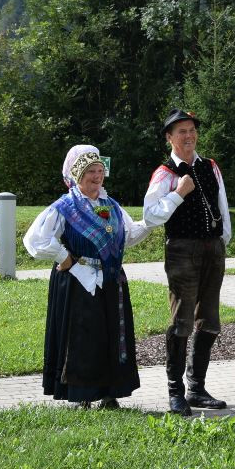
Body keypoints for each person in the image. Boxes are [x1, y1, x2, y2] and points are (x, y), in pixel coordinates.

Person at [24, 145, 152, 409]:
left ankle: (109, 392)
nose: (96, 177)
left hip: (110, 279)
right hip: (77, 280)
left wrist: (153, 220)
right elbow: (35, 239)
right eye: (90, 172)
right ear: (77, 176)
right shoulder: (66, 206)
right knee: (82, 337)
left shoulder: (110, 205)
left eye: (100, 171)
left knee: (110, 333)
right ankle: (81, 392)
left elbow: (128, 235)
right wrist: (64, 257)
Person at [143, 108, 231, 416]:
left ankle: (196, 387)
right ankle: (175, 392)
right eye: (181, 131)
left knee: (210, 321)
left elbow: (222, 203)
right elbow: (150, 215)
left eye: (192, 130)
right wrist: (178, 194)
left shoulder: (209, 166)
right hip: (182, 250)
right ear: (169, 137)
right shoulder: (165, 173)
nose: (189, 135)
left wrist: (223, 239)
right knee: (182, 322)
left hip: (212, 248)